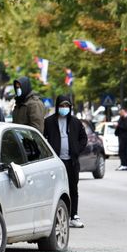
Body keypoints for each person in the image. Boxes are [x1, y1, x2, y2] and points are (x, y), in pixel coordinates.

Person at [43, 95, 87, 228]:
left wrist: (76, 150)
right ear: (57, 106)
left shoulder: (75, 122)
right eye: (62, 105)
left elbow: (83, 138)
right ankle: (56, 217)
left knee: (73, 188)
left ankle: (74, 215)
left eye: (67, 106)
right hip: (56, 162)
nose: (64, 108)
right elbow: (43, 138)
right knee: (55, 189)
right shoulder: (49, 122)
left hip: (71, 162)